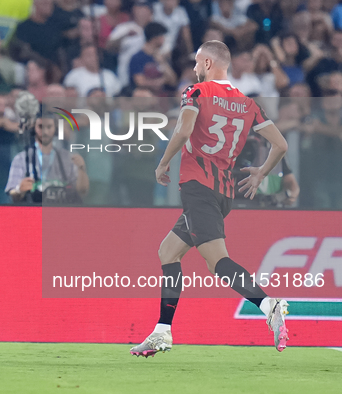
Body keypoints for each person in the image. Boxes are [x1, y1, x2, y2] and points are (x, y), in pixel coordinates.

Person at [130, 40, 290, 358]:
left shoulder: (196, 92)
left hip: (197, 187)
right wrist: (260, 173)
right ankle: (162, 331)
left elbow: (184, 129)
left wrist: (163, 163)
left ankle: (269, 305)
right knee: (167, 252)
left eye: (196, 63)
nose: (192, 69)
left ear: (206, 64)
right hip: (223, 193)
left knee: (218, 262)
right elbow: (281, 145)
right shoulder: (248, 103)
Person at [5, 113, 89, 203]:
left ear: (55, 129)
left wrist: (81, 169)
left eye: (49, 127)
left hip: (62, 212)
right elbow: (12, 193)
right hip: (33, 212)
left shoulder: (68, 158)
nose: (45, 132)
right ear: (34, 128)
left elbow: (82, 192)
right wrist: (19, 190)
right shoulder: (21, 158)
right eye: (41, 127)